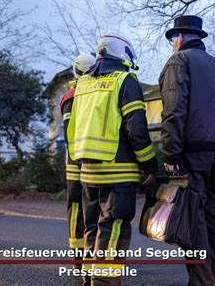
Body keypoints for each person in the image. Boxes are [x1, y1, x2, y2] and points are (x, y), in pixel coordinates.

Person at [159, 15, 215, 285]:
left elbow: (173, 110)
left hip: (189, 154)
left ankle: (202, 281)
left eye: (173, 38)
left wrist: (171, 154)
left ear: (182, 37)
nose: (172, 43)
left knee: (192, 216)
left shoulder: (179, 62)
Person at [67, 34, 158, 285]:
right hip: (119, 172)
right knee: (113, 228)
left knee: (92, 228)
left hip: (87, 173)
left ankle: (88, 279)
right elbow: (136, 130)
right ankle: (105, 282)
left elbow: (73, 129)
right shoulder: (125, 80)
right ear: (124, 53)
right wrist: (149, 165)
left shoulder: (82, 84)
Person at [60, 52, 96, 269]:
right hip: (88, 164)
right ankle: (85, 256)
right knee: (88, 209)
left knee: (76, 210)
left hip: (74, 164)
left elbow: (68, 134)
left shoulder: (68, 97)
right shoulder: (86, 95)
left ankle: (80, 257)